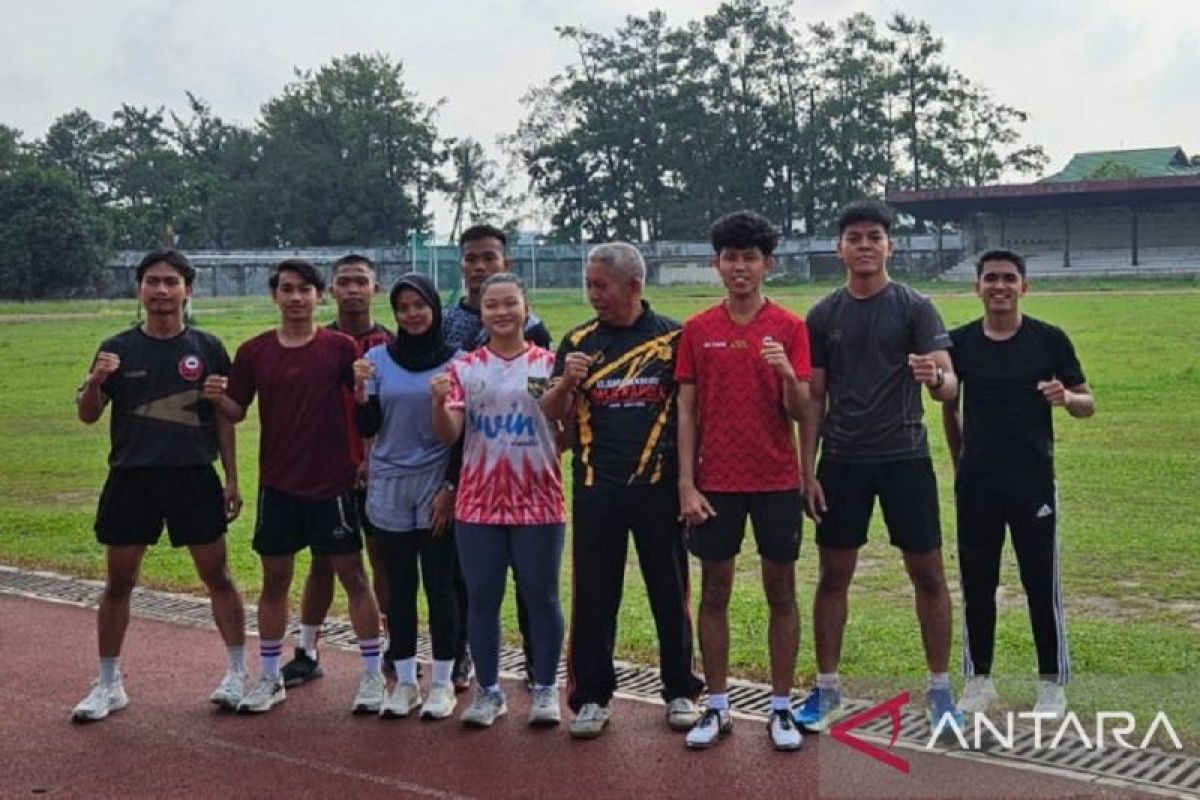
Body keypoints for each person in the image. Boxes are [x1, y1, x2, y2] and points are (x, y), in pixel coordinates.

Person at [796, 200, 962, 734]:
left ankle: (940, 691)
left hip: (904, 457)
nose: (865, 246)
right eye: (854, 238)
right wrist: (806, 470)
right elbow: (814, 398)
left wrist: (935, 378)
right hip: (842, 461)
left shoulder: (916, 307)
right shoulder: (823, 315)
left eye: (874, 237)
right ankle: (826, 687)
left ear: (890, 246)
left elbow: (949, 384)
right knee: (833, 575)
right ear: (839, 248)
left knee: (928, 574)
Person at [72, 249, 247, 722]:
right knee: (119, 581)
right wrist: (95, 381)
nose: (162, 290)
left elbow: (227, 416)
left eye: (172, 282)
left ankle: (237, 673)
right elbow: (88, 414)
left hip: (193, 475)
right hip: (132, 477)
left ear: (188, 289)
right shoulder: (117, 348)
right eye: (153, 281)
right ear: (140, 289)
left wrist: (232, 478)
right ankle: (108, 683)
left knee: (217, 575)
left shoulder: (208, 347)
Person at [204, 259, 385, 715]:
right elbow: (236, 409)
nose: (296, 297)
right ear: (275, 296)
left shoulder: (340, 347)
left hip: (333, 481)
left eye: (305, 289)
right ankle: (269, 677)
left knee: (353, 576)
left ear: (318, 296)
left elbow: (365, 411)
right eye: (287, 289)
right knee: (275, 581)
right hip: (278, 484)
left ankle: (371, 675)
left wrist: (365, 450)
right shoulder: (255, 351)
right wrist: (215, 396)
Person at [540, 242, 704, 739]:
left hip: (659, 488)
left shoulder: (673, 337)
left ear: (634, 285)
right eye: (589, 285)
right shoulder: (577, 340)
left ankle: (681, 689)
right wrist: (566, 384)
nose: (593, 295)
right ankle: (591, 696)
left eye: (602, 286)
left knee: (669, 590)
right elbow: (549, 411)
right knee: (594, 594)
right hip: (596, 488)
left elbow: (693, 412)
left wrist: (689, 482)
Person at [675, 211, 811, 752]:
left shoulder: (790, 328)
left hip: (776, 479)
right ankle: (716, 704)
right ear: (717, 264)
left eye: (750, 258)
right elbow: (687, 410)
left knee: (781, 589)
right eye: (730, 257)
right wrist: (686, 483)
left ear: (767, 264)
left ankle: (780, 707)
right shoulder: (698, 330)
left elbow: (800, 409)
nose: (739, 267)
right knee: (715, 590)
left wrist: (785, 373)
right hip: (716, 482)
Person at [942, 249, 1094, 718]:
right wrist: (960, 462)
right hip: (977, 484)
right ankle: (978, 680)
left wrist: (1066, 398)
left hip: (1032, 482)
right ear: (977, 287)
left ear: (1024, 286)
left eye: (1009, 278)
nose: (1000, 287)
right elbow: (949, 406)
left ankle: (1052, 683)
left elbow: (1087, 403)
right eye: (991, 278)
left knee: (1040, 582)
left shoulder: (1049, 340)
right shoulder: (960, 342)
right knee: (977, 582)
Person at [431, 273, 566, 729]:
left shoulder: (547, 365)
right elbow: (449, 433)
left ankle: (545, 688)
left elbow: (561, 426)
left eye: (511, 303)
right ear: (482, 313)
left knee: (541, 596)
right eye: (492, 305)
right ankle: (489, 692)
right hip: (479, 502)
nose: (502, 312)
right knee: (482, 598)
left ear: (526, 308)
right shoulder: (465, 369)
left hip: (538, 499)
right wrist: (438, 404)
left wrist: (566, 390)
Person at [282, 254, 394, 688]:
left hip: (380, 470)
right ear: (331, 290)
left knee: (382, 559)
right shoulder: (318, 341)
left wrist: (370, 456)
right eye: (344, 282)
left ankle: (393, 646)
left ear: (375, 289)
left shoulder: (390, 344)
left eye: (360, 282)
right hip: (329, 469)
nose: (352, 290)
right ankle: (307, 649)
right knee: (323, 561)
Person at [441, 224, 545, 690]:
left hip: (524, 473)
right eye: (471, 258)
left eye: (489, 258)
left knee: (531, 580)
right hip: (466, 471)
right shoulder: (447, 322)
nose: (480, 266)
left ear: (506, 263)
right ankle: (463, 656)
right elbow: (447, 408)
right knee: (467, 577)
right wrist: (449, 481)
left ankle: (536, 662)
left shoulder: (533, 329)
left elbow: (542, 407)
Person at [354, 273, 461, 720]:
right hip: (388, 483)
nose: (412, 314)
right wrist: (360, 393)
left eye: (420, 305)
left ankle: (443, 682)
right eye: (403, 308)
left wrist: (450, 488)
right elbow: (368, 425)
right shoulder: (377, 359)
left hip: (435, 481)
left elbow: (464, 435)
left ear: (434, 307)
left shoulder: (458, 361)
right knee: (399, 587)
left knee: (441, 586)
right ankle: (404, 681)